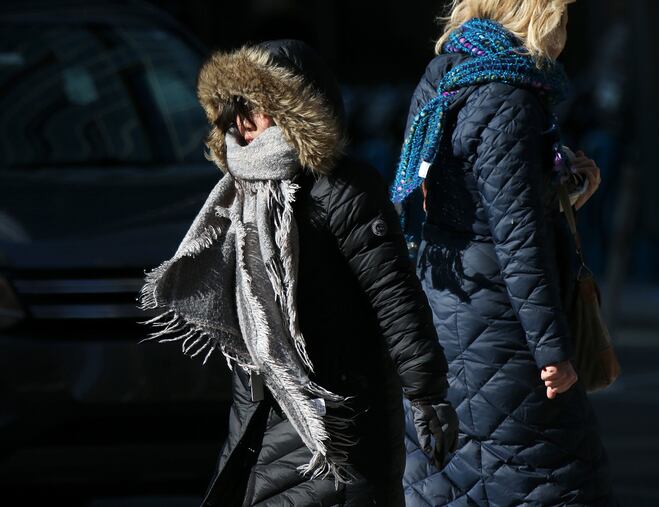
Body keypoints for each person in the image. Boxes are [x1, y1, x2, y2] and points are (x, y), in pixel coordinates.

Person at [139, 40, 458, 506]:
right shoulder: (238, 192)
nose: (241, 127)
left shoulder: (343, 188)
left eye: (254, 110)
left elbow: (395, 297)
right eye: (234, 113)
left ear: (295, 110)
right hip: (262, 414)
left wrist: (427, 393)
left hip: (339, 422)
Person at [392, 1, 613, 505]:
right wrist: (553, 352)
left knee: (451, 481)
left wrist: (566, 191)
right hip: (502, 332)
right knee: (556, 482)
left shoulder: (447, 73)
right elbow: (519, 242)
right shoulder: (508, 98)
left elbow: (461, 203)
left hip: (447, 308)